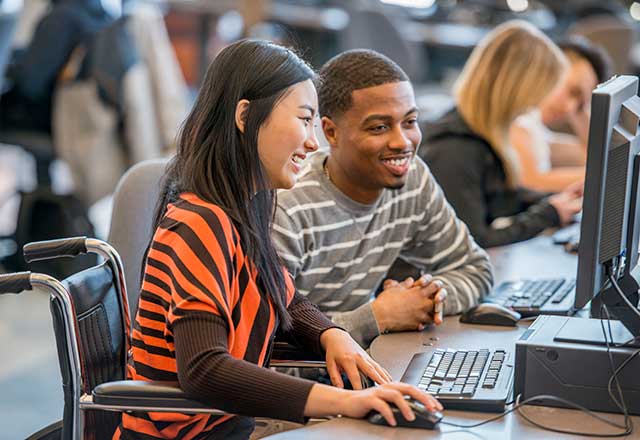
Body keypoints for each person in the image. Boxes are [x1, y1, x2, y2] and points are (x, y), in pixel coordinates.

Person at [114, 40, 442, 440]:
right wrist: (345, 402)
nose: (313, 142)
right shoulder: (198, 222)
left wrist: (330, 334)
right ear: (245, 116)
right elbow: (205, 370)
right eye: (304, 120)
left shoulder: (243, 207)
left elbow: (284, 298)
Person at [272, 49, 493, 349]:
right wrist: (377, 316)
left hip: (366, 363)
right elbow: (268, 333)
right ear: (331, 132)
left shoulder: (412, 179)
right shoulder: (289, 207)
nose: (402, 142)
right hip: (304, 384)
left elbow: (475, 268)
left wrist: (428, 299)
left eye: (410, 122)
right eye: (379, 127)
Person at [420, 21, 583, 249]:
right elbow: (473, 240)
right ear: (518, 91)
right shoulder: (455, 149)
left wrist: (550, 202)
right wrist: (548, 215)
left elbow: (499, 199)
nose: (533, 106)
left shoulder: (482, 132)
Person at [510, 37, 613, 192]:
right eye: (572, 91)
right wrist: (613, 177)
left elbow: (589, 157)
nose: (569, 108)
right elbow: (530, 181)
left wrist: (582, 109)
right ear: (550, 68)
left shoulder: (535, 126)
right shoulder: (517, 120)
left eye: (579, 104)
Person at [0, 0, 113, 134]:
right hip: (80, 115)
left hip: (45, 116)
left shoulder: (60, 18)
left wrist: (10, 69)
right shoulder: (102, 16)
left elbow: (31, 85)